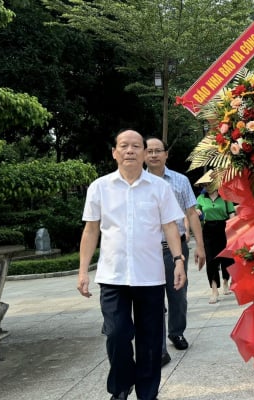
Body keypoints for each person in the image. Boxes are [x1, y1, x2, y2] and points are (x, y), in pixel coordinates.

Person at [77, 129, 186, 400]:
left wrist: (178, 259)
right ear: (114, 152)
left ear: (143, 153)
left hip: (150, 276)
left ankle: (147, 393)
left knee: (150, 340)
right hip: (112, 276)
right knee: (116, 334)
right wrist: (82, 271)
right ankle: (121, 385)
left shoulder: (160, 187)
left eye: (136, 146)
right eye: (124, 146)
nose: (130, 150)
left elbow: (170, 226)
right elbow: (91, 231)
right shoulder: (99, 187)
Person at [145, 137, 206, 367]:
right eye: (149, 151)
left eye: (157, 151)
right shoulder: (137, 182)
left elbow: (192, 214)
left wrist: (200, 246)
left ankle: (176, 331)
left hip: (176, 249)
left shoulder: (180, 181)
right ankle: (158, 347)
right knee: (152, 300)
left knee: (178, 296)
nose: (153, 155)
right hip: (148, 250)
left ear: (166, 154)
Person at [194, 170, 236, 303]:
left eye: (210, 183)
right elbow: (194, 211)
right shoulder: (201, 198)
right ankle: (214, 290)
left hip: (223, 228)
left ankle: (225, 282)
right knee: (211, 260)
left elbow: (231, 213)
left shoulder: (225, 197)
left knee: (226, 258)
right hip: (208, 230)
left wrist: (233, 230)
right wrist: (197, 210)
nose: (208, 186)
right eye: (205, 184)